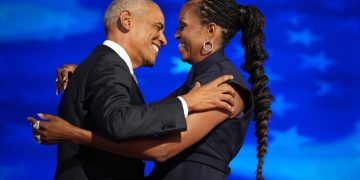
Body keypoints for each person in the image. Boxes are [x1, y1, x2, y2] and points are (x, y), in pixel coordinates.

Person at [30, 0, 273, 179]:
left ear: (210, 31)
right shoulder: (198, 83)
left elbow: (163, 148)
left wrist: (75, 133)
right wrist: (86, 73)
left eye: (182, 25)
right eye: (161, 27)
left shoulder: (222, 84)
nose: (172, 36)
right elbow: (144, 116)